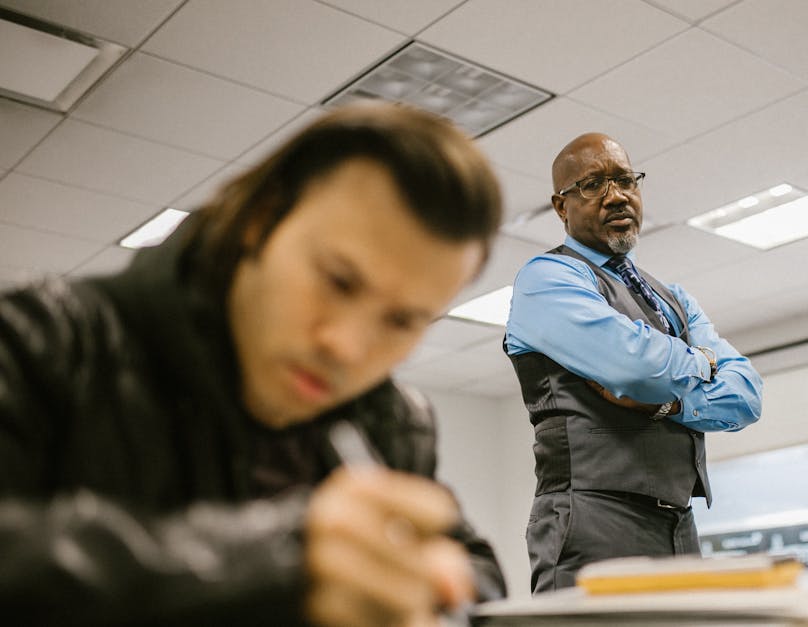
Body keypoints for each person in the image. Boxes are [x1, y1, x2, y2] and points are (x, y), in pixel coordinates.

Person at [0, 103, 506, 626]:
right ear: (260, 221)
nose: (347, 349)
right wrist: (268, 570)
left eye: (402, 321)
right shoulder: (41, 338)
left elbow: (476, 570)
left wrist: (434, 586)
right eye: (338, 280)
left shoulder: (395, 423)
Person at [504, 132, 764, 593]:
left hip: (678, 525)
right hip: (592, 519)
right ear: (561, 206)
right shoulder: (547, 278)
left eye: (626, 180)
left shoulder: (674, 298)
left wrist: (670, 405)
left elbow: (746, 395)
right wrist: (706, 361)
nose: (616, 196)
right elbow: (638, 370)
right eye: (592, 185)